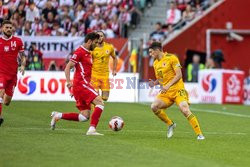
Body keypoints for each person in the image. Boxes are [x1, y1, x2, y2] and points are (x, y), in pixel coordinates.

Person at [50, 32, 105, 135]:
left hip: (80, 86)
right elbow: (68, 67)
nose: (97, 44)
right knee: (100, 103)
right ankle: (92, 129)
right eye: (96, 42)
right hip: (81, 84)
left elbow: (79, 69)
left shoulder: (88, 52)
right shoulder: (79, 52)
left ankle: (58, 115)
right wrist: (68, 82)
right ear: (89, 41)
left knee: (84, 116)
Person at [148, 42, 205, 140]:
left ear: (157, 50)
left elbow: (179, 75)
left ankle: (199, 134)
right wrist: (155, 83)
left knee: (185, 109)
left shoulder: (172, 58)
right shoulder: (155, 63)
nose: (150, 54)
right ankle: (171, 124)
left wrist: (168, 85)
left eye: (151, 52)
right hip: (166, 93)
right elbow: (161, 79)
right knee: (154, 106)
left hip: (178, 90)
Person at [0, 20, 26, 126]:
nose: (9, 29)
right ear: (2, 28)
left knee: (7, 102)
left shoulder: (18, 41)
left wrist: (23, 65)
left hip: (13, 75)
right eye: (7, 27)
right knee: (1, 93)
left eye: (10, 28)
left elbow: (23, 56)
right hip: (1, 74)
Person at [91, 31, 117, 102]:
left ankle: (98, 106)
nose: (99, 37)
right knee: (95, 97)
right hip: (94, 76)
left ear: (104, 37)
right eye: (98, 36)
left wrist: (114, 70)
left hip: (105, 76)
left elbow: (115, 58)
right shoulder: (92, 48)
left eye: (101, 36)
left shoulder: (109, 47)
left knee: (105, 98)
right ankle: (95, 111)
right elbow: (88, 60)